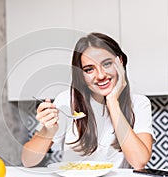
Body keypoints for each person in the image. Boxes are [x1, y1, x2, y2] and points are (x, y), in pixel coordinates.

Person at [21, 32, 155, 169]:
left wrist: (112, 102)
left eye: (107, 64)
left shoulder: (139, 103)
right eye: (89, 69)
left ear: (120, 62)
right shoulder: (66, 100)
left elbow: (139, 162)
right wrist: (48, 130)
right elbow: (28, 161)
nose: (101, 75)